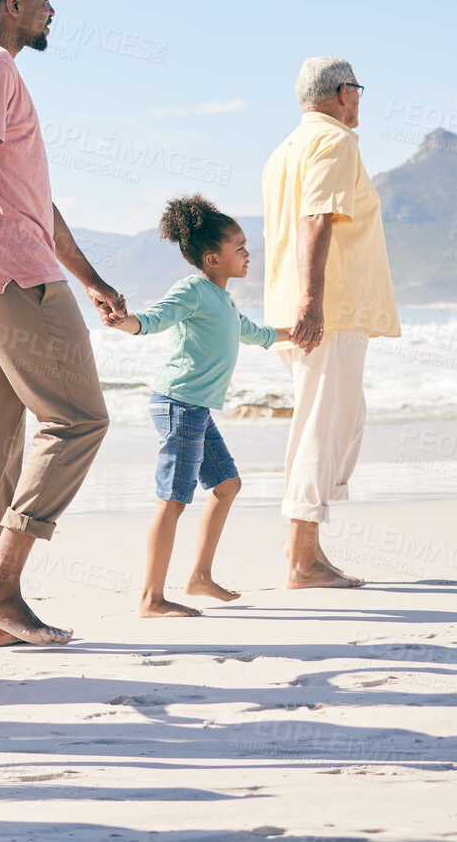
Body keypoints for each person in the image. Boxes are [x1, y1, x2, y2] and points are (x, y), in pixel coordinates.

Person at [0, 0, 125, 648]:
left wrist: (92, 277)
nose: (51, 8)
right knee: (78, 420)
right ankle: (0, 587)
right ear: (12, 3)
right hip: (11, 278)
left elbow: (30, 199)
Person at [103, 196, 285, 617]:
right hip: (178, 405)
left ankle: (199, 578)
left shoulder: (224, 300)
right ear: (212, 258)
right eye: (239, 247)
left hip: (195, 409)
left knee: (227, 486)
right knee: (173, 500)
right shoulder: (193, 290)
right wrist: (123, 322)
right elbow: (152, 320)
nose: (247, 253)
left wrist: (303, 331)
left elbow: (255, 334)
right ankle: (151, 598)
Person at [261, 57, 400, 588]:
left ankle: (305, 545)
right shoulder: (337, 143)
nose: (360, 100)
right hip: (327, 310)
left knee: (338, 419)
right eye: (358, 90)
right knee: (325, 425)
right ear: (344, 92)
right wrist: (313, 302)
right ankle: (302, 558)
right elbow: (316, 218)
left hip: (296, 307)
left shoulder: (283, 151)